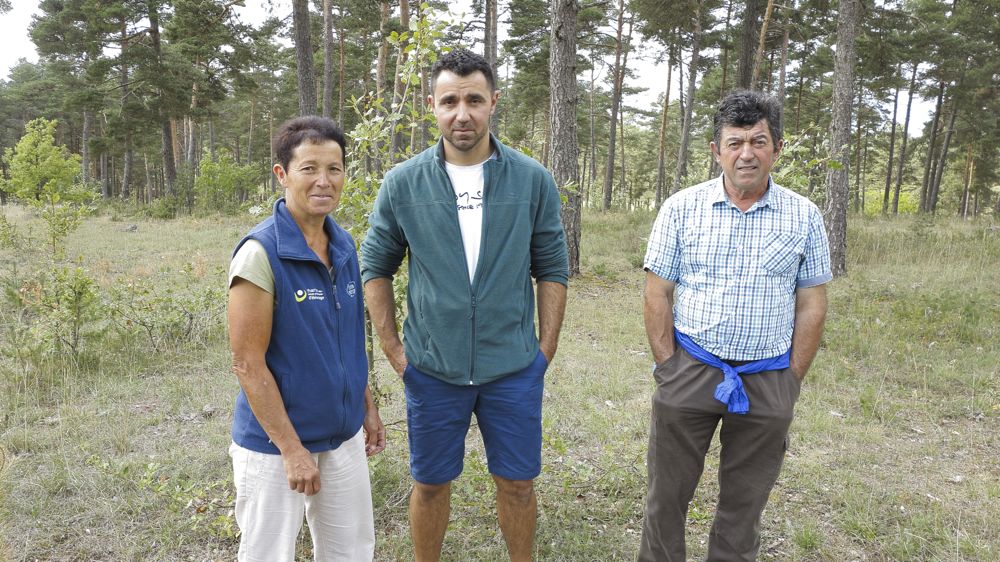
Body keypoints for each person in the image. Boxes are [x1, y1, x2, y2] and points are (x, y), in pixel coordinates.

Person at [360, 48, 568, 562]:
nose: (462, 113)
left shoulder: (531, 179)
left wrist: (543, 351)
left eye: (474, 99)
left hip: (513, 367)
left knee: (517, 484)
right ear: (432, 105)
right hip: (431, 368)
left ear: (493, 102)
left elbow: (553, 268)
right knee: (430, 485)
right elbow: (375, 266)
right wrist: (394, 351)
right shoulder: (404, 182)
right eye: (449, 100)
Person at [638, 90, 831, 562]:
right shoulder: (681, 209)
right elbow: (657, 292)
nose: (747, 153)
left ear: (777, 148)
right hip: (691, 370)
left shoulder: (804, 216)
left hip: (767, 380)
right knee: (666, 499)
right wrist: (669, 366)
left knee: (744, 507)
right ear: (716, 150)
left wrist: (789, 380)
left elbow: (812, 304)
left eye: (759, 141)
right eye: (735, 142)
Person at [227, 116, 386, 562]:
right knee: (266, 554)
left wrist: (366, 406)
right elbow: (247, 363)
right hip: (275, 447)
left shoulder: (344, 246)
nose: (324, 181)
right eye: (309, 168)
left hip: (343, 437)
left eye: (334, 169)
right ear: (282, 174)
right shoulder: (260, 253)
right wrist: (292, 450)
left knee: (351, 551)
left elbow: (348, 341)